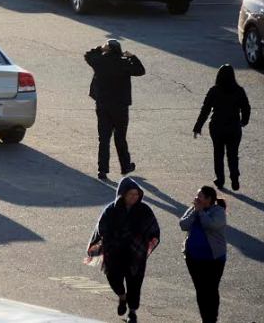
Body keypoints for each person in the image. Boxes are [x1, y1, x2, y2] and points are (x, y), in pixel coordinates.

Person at [86, 177, 160, 322]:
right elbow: (101, 228)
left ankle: (132, 312)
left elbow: (154, 230)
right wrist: (112, 238)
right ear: (123, 194)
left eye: (136, 194)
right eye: (131, 194)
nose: (134, 197)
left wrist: (146, 241)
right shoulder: (111, 210)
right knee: (113, 277)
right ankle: (122, 296)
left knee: (135, 283)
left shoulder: (144, 210)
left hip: (135, 254)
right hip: (115, 252)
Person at [85, 39, 146, 180]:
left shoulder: (99, 61)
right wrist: (132, 56)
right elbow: (141, 71)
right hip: (120, 107)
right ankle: (125, 166)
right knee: (120, 138)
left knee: (104, 139)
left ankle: (102, 171)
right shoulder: (124, 62)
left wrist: (101, 48)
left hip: (103, 106)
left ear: (108, 49)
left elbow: (88, 55)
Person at [193, 64, 250, 191]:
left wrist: (198, 126)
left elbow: (205, 110)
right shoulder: (239, 90)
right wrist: (244, 121)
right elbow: (246, 107)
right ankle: (234, 179)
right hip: (234, 127)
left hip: (217, 127)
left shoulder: (214, 90)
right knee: (233, 154)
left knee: (218, 153)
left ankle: (220, 180)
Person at [180, 186, 228, 323]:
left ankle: (212, 318)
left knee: (211, 289)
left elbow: (211, 225)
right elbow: (183, 224)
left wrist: (200, 212)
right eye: (197, 195)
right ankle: (205, 319)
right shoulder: (194, 209)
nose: (196, 198)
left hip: (214, 259)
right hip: (193, 258)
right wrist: (195, 211)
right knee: (200, 289)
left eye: (200, 196)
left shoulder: (218, 211)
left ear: (209, 199)